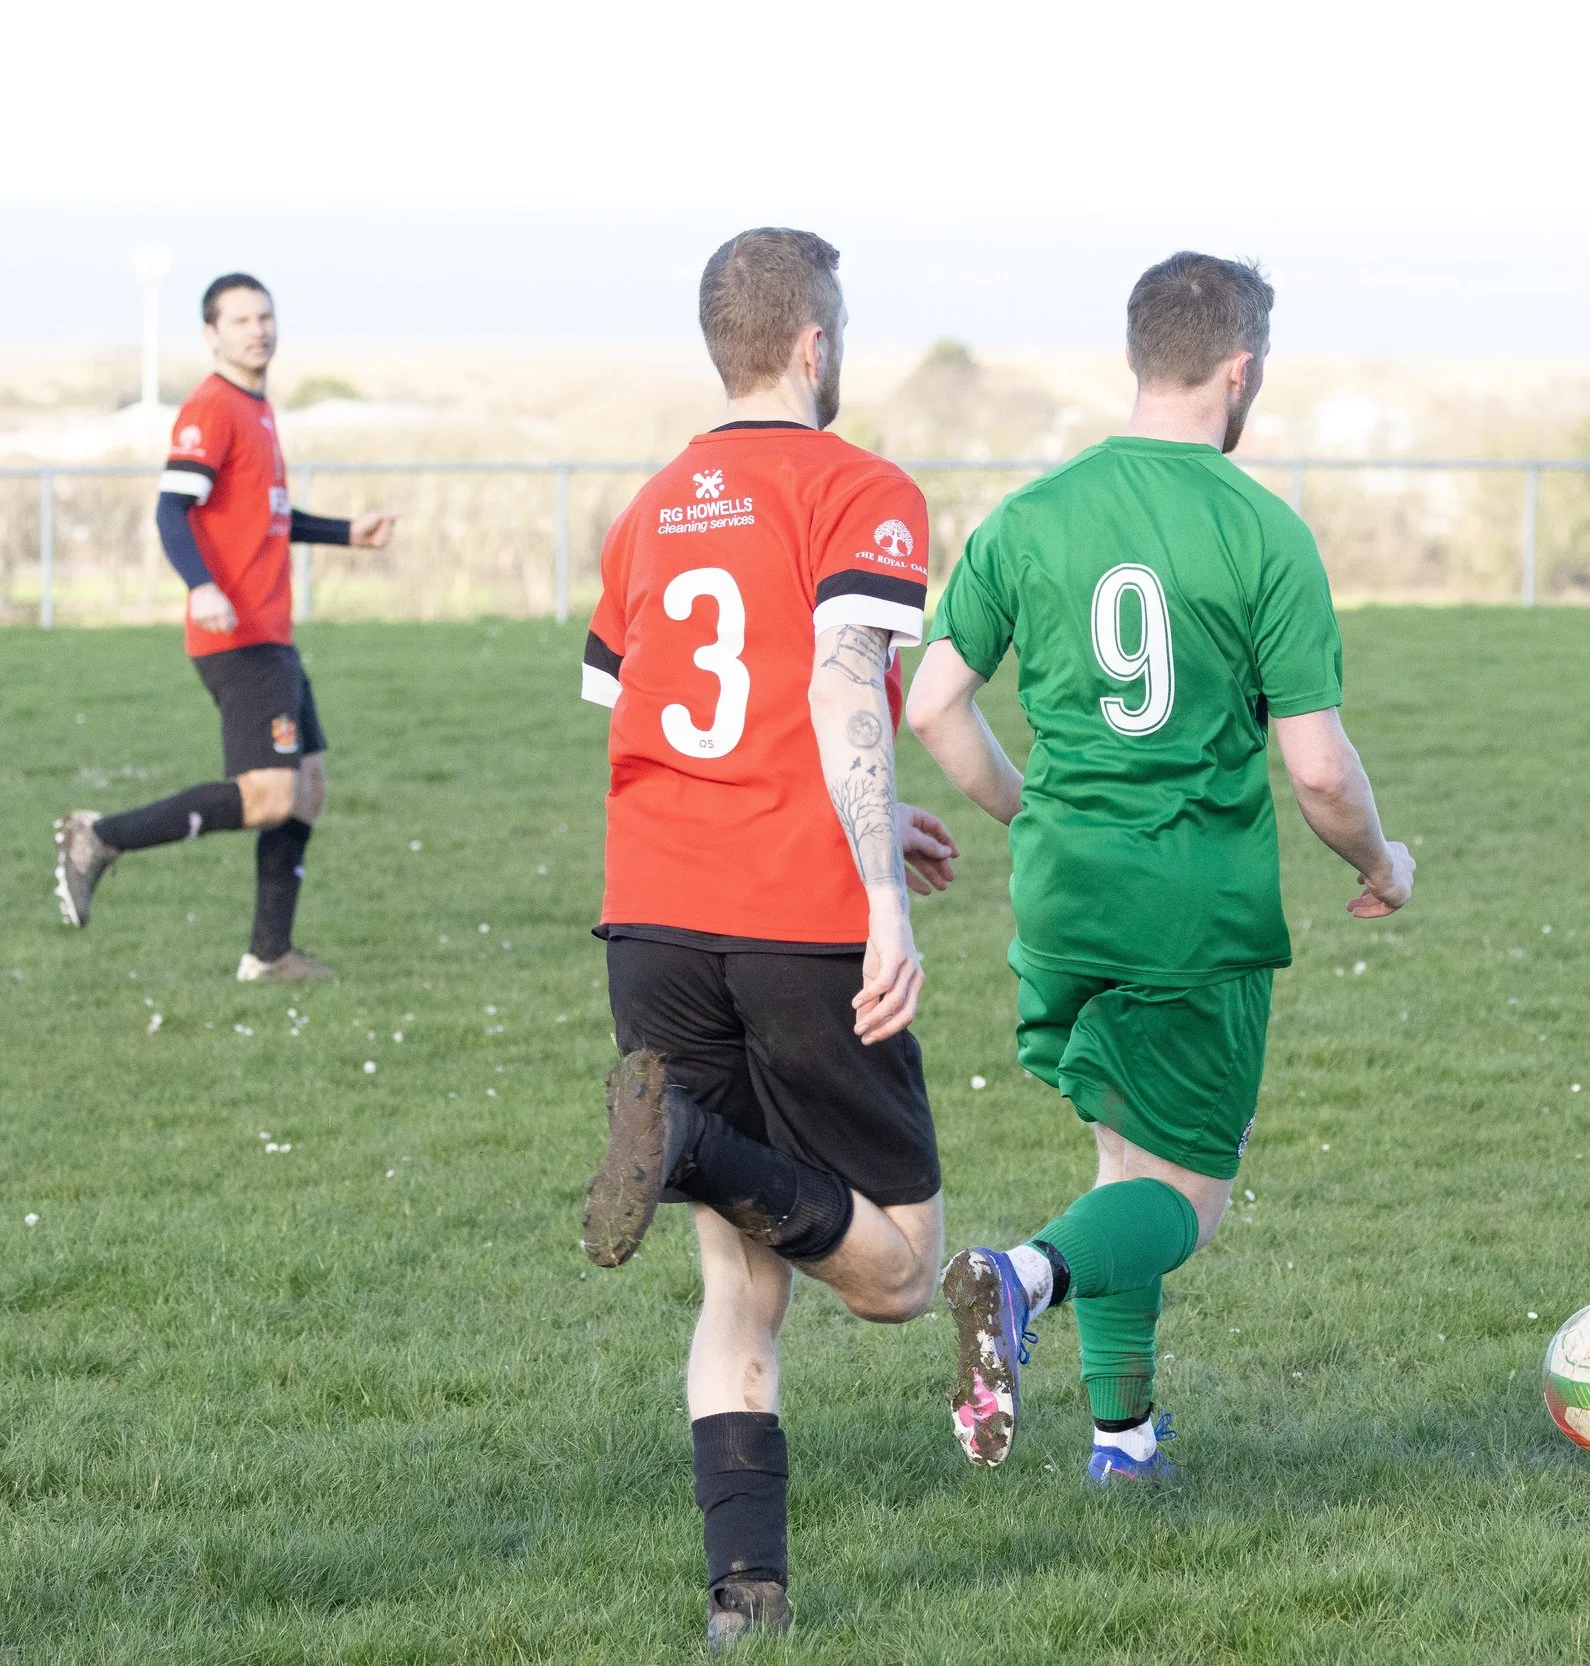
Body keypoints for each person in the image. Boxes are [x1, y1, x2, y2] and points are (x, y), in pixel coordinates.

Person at [907, 252, 1414, 1484]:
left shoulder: (1030, 515)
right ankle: (1021, 1279)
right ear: (1240, 370)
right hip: (1190, 911)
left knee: (1120, 1158)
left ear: (1142, 358)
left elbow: (933, 706)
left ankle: (1124, 1445)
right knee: (1183, 1199)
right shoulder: (1262, 531)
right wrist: (1381, 859)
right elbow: (1320, 774)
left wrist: (1030, 810)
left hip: (1063, 901)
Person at [574, 227, 963, 1649]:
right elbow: (847, 682)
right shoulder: (861, 487)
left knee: (740, 1279)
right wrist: (882, 894)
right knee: (904, 1272)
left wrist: (880, 818)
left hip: (652, 915)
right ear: (815, 342)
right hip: (796, 918)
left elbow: (666, 708)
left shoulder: (654, 504)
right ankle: (684, 1144)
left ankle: (747, 1599)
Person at [52, 273, 395, 980]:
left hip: (272, 634)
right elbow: (171, 510)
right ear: (212, 334)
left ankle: (269, 955)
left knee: (307, 785)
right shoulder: (212, 408)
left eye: (264, 316)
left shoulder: (257, 408)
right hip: (238, 638)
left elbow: (265, 515)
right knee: (271, 795)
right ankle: (97, 836)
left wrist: (343, 533)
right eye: (239, 320)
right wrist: (201, 584)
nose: (257, 330)